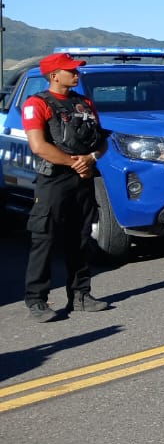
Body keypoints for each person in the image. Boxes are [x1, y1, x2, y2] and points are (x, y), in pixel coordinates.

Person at [22, 52, 111, 322]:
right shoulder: (37, 104)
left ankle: (81, 295)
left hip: (83, 178)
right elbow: (38, 146)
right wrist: (74, 164)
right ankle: (37, 299)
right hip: (54, 180)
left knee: (81, 238)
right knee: (44, 239)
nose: (76, 74)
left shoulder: (84, 103)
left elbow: (102, 140)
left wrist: (91, 158)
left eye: (76, 69)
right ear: (54, 76)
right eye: (70, 70)